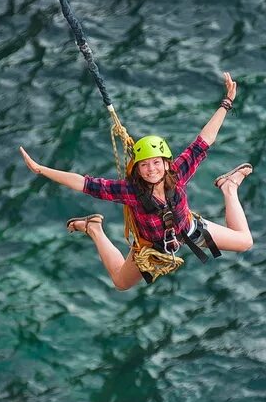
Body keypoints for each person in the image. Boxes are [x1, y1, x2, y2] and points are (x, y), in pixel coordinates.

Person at [18, 71, 254, 290]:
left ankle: (229, 186)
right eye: (144, 165)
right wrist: (42, 170)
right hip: (150, 247)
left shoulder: (177, 174)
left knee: (245, 242)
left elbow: (204, 140)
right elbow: (85, 184)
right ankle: (94, 228)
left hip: (187, 231)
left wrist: (226, 102)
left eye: (156, 163)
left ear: (165, 163)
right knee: (120, 283)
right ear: (137, 169)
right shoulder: (131, 190)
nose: (151, 169)